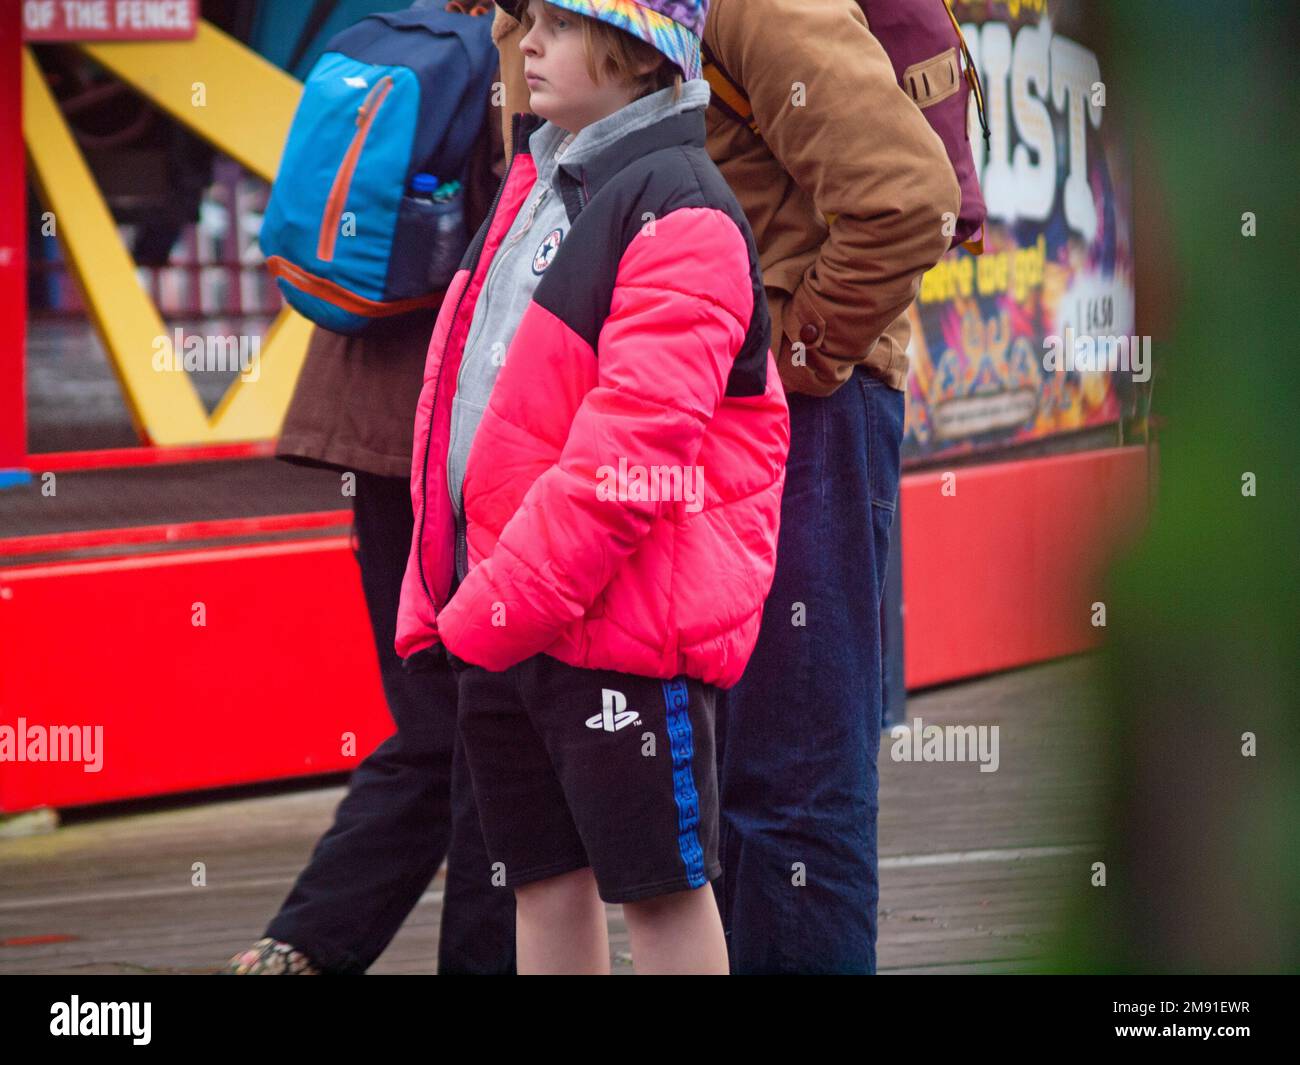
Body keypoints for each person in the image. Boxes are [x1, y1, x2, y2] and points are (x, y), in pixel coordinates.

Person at [493, 0, 960, 973]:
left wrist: (781, 358)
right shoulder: (533, 22)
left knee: (787, 779)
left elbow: (906, 196)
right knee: (703, 778)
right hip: (666, 409)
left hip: (797, 410)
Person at [393, 0, 788, 973]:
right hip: (510, 606)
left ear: (638, 50)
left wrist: (499, 602)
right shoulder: (541, 175)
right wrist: (469, 592)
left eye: (559, 24)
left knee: (659, 892)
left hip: (619, 630)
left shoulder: (682, 209)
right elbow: (465, 392)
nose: (526, 41)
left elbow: (635, 453)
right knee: (540, 882)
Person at [222, 1, 518, 976]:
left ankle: (299, 950)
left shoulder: (401, 28)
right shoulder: (531, 56)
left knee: (441, 719)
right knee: (489, 727)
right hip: (458, 435)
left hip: (362, 417)